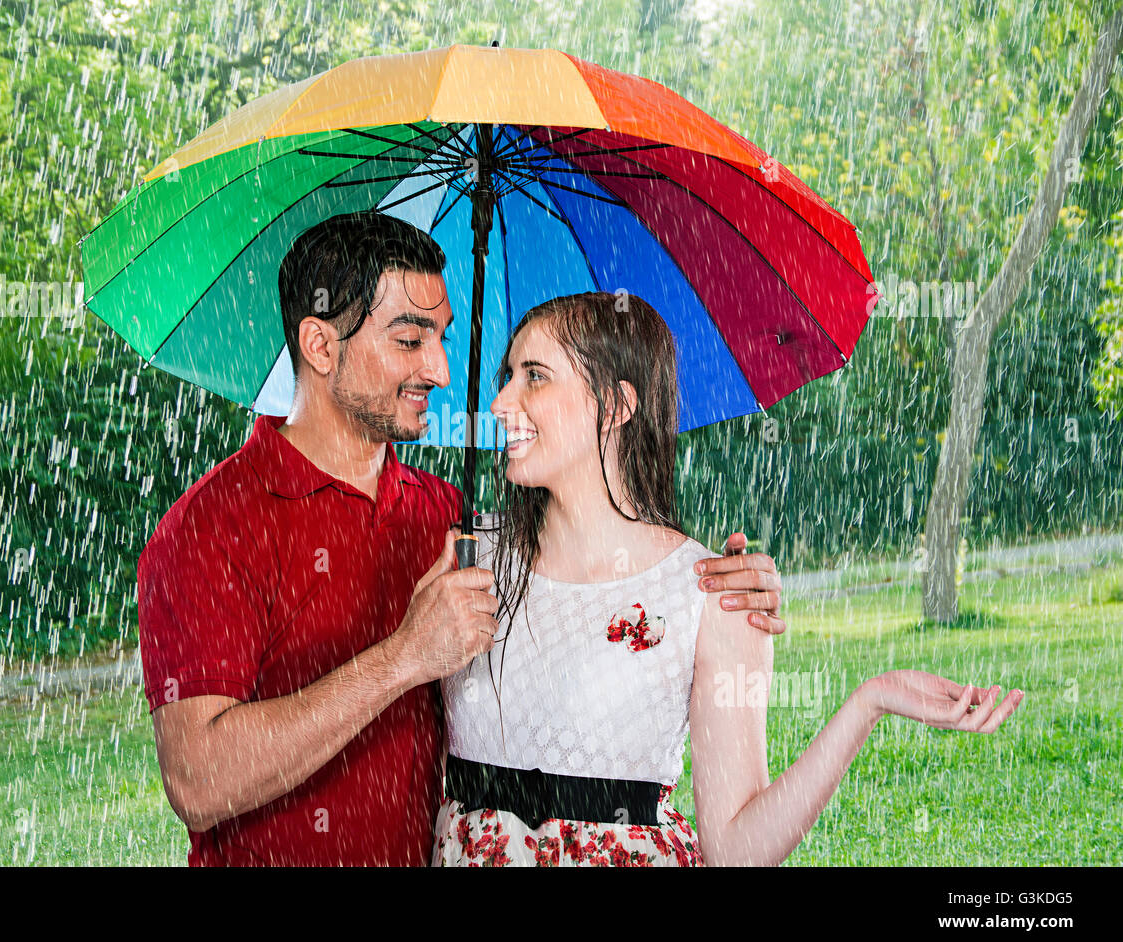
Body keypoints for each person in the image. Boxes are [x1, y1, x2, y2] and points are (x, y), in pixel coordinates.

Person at [136, 212, 786, 866]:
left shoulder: (446, 518)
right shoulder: (209, 529)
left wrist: (721, 586)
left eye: (443, 337)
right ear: (321, 344)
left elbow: (587, 605)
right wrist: (405, 656)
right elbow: (199, 780)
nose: (442, 371)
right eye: (410, 339)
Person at [432, 291, 1025, 867]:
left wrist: (871, 700)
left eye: (535, 376)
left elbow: (737, 851)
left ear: (615, 407)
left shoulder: (712, 595)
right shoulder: (466, 559)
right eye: (506, 376)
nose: (503, 403)